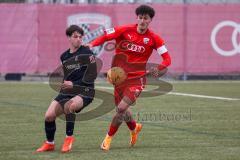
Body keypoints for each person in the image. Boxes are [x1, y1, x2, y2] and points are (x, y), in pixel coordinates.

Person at [88, 5, 171, 151]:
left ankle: (107, 139)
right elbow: (106, 35)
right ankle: (134, 128)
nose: (142, 20)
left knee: (120, 109)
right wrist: (92, 44)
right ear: (137, 18)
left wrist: (158, 69)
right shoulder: (125, 30)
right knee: (123, 111)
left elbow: (167, 59)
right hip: (119, 78)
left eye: (146, 18)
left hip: (137, 80)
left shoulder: (154, 38)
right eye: (140, 17)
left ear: (150, 20)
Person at [36, 25, 97, 153]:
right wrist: (65, 83)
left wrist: (74, 85)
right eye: (75, 36)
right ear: (69, 38)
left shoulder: (87, 53)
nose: (79, 39)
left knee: (69, 106)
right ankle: (49, 143)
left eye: (81, 37)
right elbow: (69, 75)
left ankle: (68, 139)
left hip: (86, 90)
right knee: (48, 116)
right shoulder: (64, 56)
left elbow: (92, 75)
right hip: (68, 90)